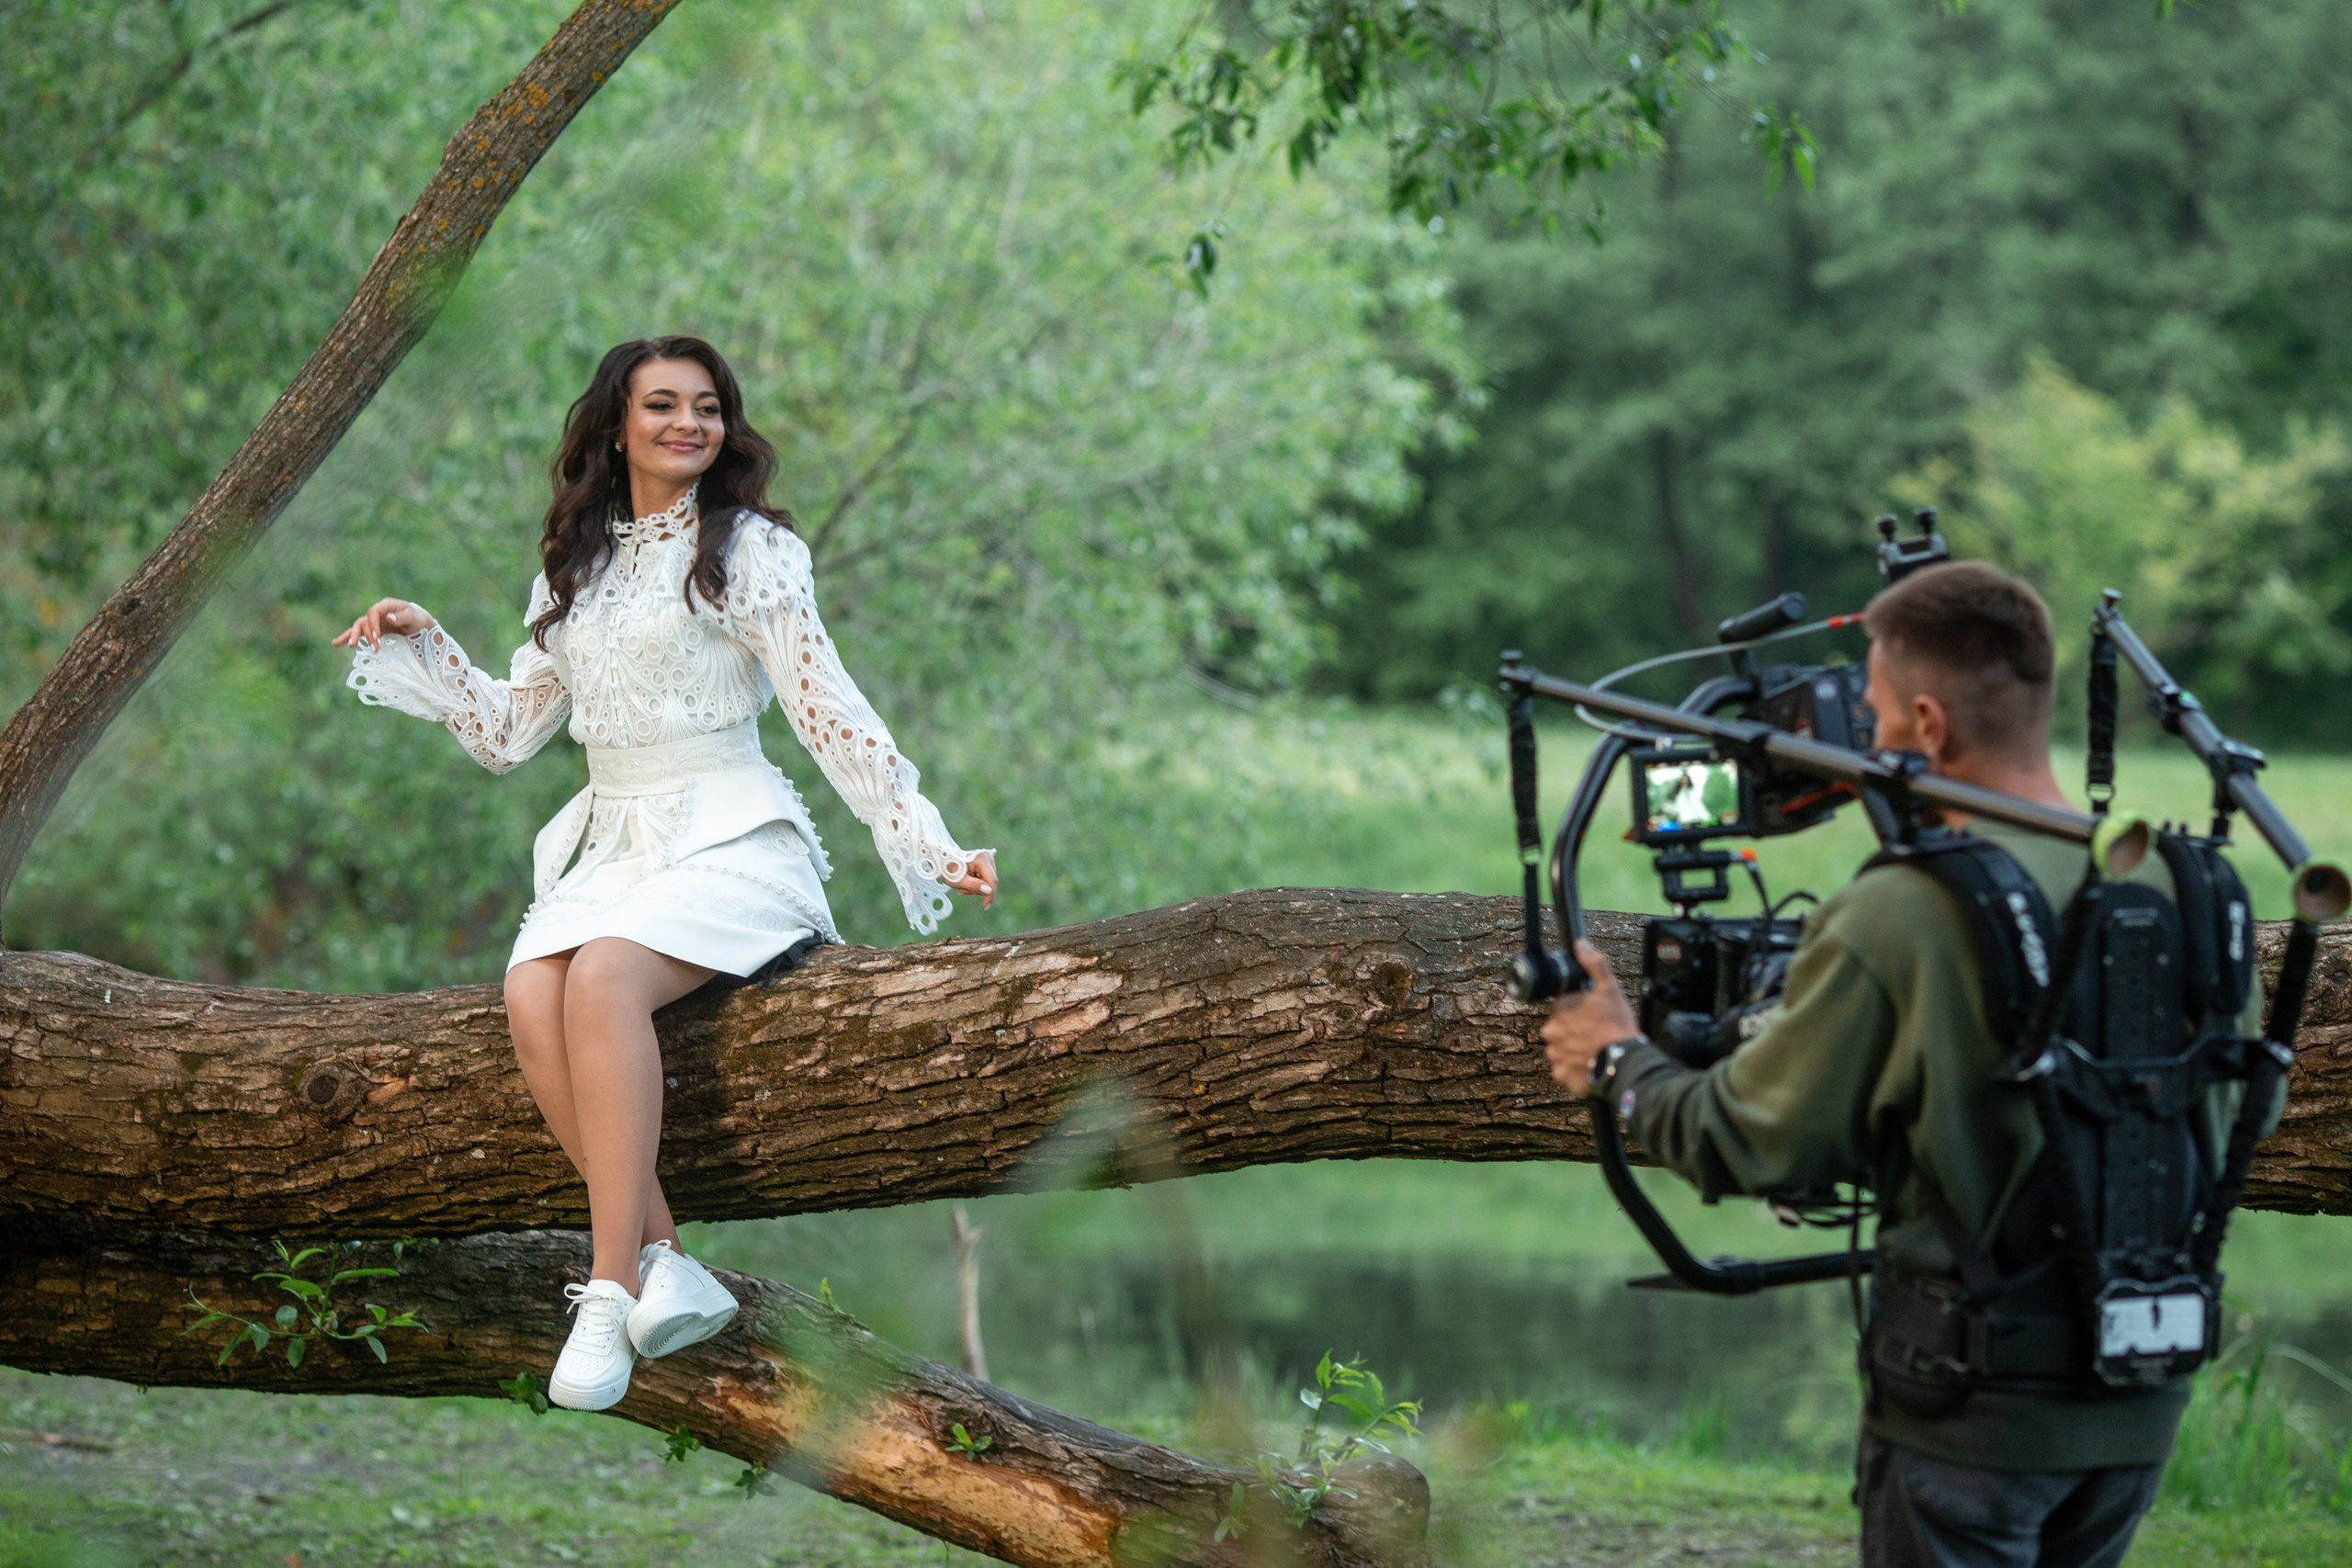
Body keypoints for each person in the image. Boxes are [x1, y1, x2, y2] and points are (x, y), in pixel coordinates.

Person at [1539, 561, 2276, 1568]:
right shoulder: (2188, 882)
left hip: (1963, 1413)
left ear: (1928, 724)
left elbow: (1742, 1142)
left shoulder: (1902, 908)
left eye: (1875, 718)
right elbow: (2235, 1114)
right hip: (2137, 1402)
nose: (1866, 748)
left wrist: (1616, 1055)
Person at [334, 335, 998, 1413]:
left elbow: (827, 707)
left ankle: (607, 1288)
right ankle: (666, 1262)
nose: (689, 423)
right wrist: (427, 640)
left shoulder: (751, 552)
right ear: (616, 425)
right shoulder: (575, 566)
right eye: (662, 405)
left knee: (599, 978)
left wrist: (924, 837)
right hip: (615, 843)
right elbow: (508, 734)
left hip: (732, 836)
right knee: (527, 988)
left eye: (707, 407)